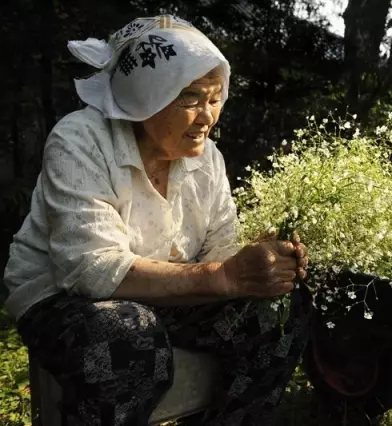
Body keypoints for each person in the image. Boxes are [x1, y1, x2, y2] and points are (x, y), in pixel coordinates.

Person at [3, 15, 311, 425]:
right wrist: (222, 276)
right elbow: (90, 271)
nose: (207, 116)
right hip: (60, 297)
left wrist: (257, 263)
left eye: (215, 98)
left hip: (164, 292)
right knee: (130, 335)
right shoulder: (79, 140)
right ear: (145, 97)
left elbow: (220, 248)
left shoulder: (207, 159)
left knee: (282, 312)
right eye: (191, 98)